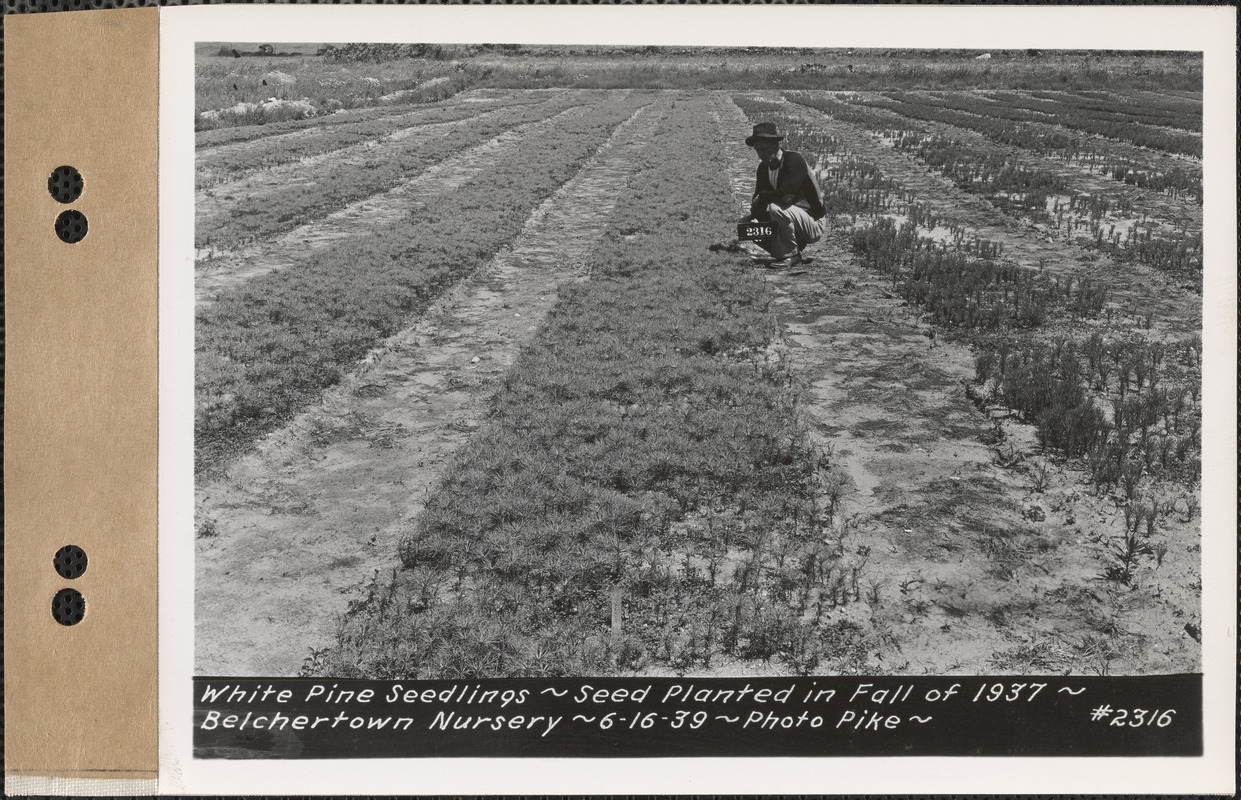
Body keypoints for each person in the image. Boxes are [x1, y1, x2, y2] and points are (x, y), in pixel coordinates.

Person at [742, 122, 827, 269]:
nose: (761, 155)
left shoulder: (794, 160)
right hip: (788, 217)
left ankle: (792, 255)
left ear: (775, 145)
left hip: (812, 220)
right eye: (758, 151)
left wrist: (762, 198)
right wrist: (758, 210)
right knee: (745, 226)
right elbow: (757, 202)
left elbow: (786, 195)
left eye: (764, 149)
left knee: (776, 208)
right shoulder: (763, 168)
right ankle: (782, 251)